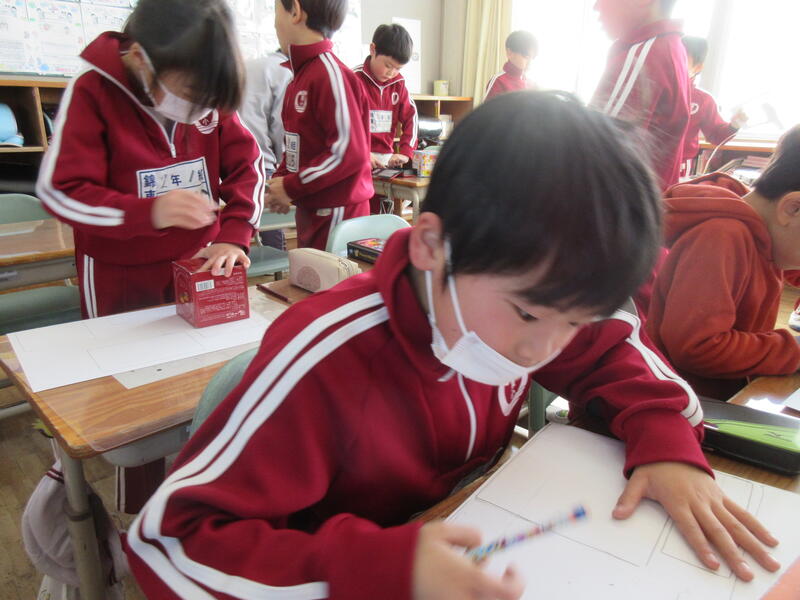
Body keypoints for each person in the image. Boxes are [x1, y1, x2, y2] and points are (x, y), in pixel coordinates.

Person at [125, 92, 779, 599]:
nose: (545, 351)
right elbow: (168, 545)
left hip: (466, 535)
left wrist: (665, 442)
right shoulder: (326, 356)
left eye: (574, 322)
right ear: (432, 245)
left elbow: (613, 349)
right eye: (530, 314)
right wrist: (381, 569)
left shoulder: (532, 299)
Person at [34, 0, 264, 514]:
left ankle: (196, 493)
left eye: (210, 104)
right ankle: (137, 511)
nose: (201, 113)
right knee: (132, 397)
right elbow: (59, 191)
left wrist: (234, 235)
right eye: (191, 98)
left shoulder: (206, 86)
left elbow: (249, 166)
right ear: (140, 58)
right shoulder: (93, 90)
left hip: (197, 260)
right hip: (117, 272)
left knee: (203, 383)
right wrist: (149, 212)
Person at [647, 127, 800, 400]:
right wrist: (791, 351)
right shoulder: (720, 237)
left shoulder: (767, 230)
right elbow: (697, 347)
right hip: (681, 403)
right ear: (792, 208)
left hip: (721, 395)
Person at [265, 0, 373, 250]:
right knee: (310, 274)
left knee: (328, 276)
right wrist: (280, 183)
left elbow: (348, 153)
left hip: (337, 211)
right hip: (313, 210)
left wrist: (290, 186)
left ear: (295, 11)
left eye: (276, 12)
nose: (274, 23)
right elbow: (296, 146)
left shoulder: (329, 74)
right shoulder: (299, 77)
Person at [591, 0, 689, 189]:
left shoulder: (642, 56)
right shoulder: (670, 46)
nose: (596, 6)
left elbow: (595, 156)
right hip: (647, 199)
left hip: (621, 202)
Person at [240, 49, 294, 248]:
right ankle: (276, 262)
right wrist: (283, 164)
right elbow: (281, 124)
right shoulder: (284, 72)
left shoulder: (250, 65)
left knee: (244, 218)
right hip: (261, 158)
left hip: (234, 157)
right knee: (271, 220)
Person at [355, 23, 418, 171]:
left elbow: (412, 117)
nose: (392, 73)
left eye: (398, 68)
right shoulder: (353, 80)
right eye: (388, 66)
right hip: (357, 157)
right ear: (373, 50)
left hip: (385, 160)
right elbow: (345, 124)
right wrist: (362, 153)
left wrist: (405, 152)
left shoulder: (399, 84)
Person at [681, 36, 747, 174]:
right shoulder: (652, 91)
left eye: (682, 61)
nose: (673, 66)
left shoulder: (703, 100)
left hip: (680, 166)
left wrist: (735, 125)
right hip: (644, 161)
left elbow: (716, 135)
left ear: (697, 68)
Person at [484, 30, 537, 101]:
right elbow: (489, 108)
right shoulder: (498, 81)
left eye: (532, 57)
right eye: (526, 56)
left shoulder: (530, 83)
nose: (530, 62)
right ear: (510, 53)